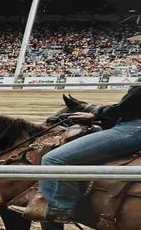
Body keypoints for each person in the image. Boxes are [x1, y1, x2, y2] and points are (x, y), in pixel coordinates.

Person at [12, 84, 141, 222]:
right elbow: (133, 107)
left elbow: (125, 107)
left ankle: (58, 209)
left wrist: (96, 111)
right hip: (132, 125)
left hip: (133, 129)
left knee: (53, 159)